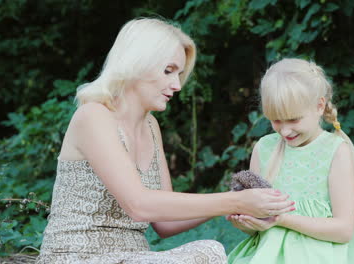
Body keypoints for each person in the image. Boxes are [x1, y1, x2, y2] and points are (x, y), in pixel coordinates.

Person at [35, 18, 294, 264]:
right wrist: (235, 201)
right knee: (207, 252)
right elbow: (139, 205)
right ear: (136, 63)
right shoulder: (93, 116)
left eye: (179, 74)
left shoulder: (150, 125)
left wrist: (236, 199)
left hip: (134, 257)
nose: (177, 85)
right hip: (76, 256)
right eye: (168, 71)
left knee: (207, 249)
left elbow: (165, 223)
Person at [227, 58, 354, 263]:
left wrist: (281, 219)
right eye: (276, 120)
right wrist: (246, 222)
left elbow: (343, 230)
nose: (285, 130)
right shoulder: (264, 148)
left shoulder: (335, 152)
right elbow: (259, 229)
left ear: (319, 106)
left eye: (294, 119)